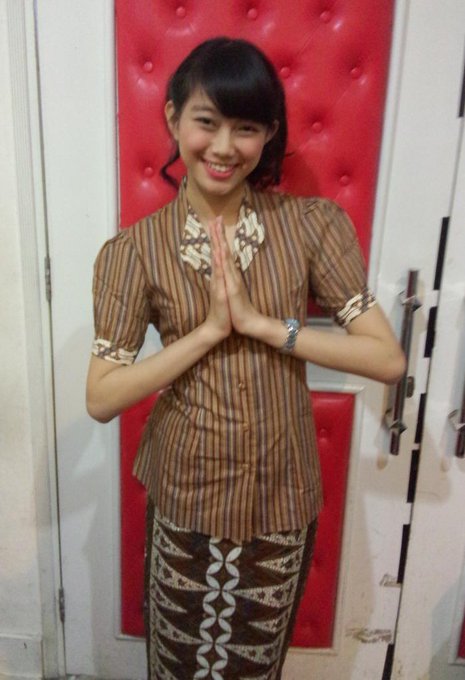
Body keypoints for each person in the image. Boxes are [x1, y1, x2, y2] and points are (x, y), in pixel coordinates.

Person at [86, 37, 405, 680]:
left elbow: (386, 359)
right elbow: (101, 397)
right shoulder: (134, 251)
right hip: (186, 494)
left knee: (258, 669)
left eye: (247, 128)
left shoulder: (312, 226)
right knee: (176, 666)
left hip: (280, 495)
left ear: (269, 135)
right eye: (207, 122)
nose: (225, 147)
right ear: (174, 117)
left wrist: (263, 326)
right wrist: (206, 333)